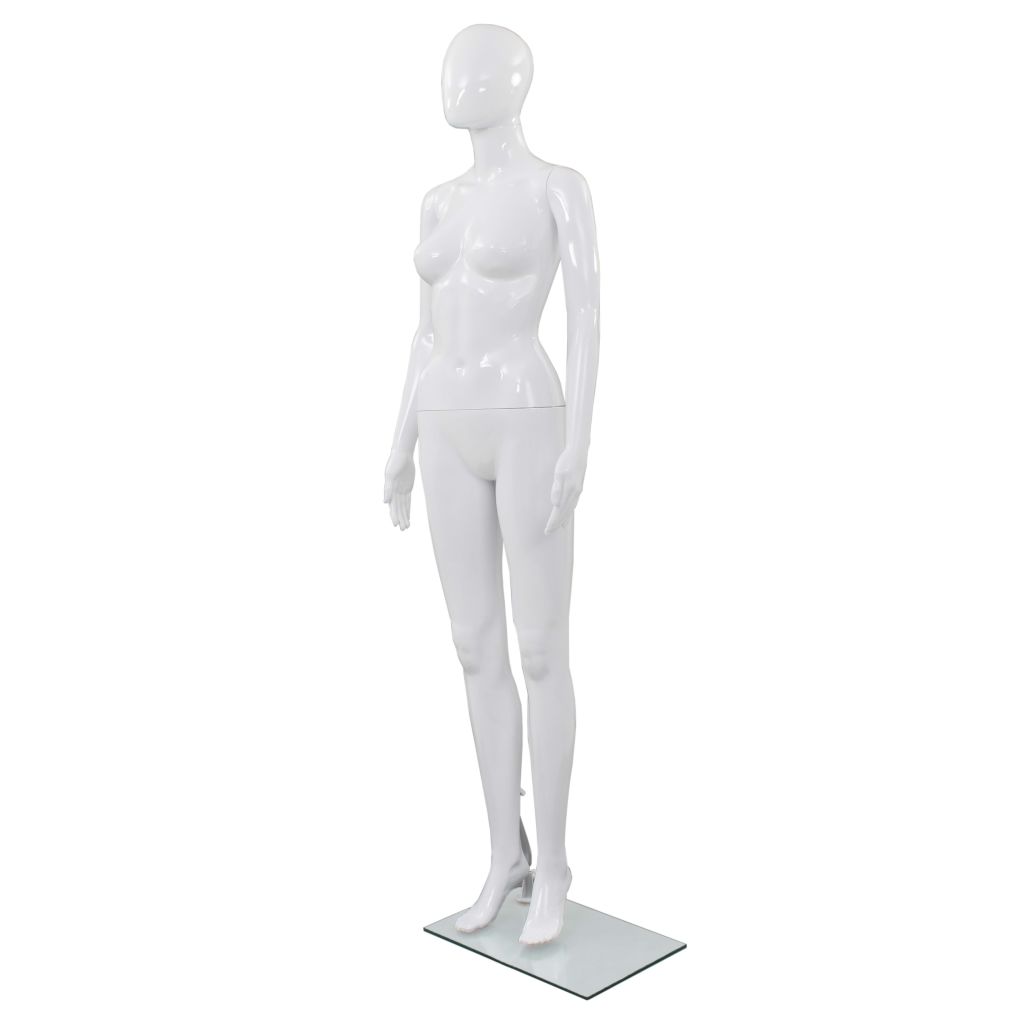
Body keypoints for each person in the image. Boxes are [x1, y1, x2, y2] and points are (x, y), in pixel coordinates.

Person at [383, 23, 599, 946]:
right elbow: (424, 333)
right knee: (474, 647)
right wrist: (397, 442)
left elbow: (587, 314)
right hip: (443, 420)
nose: (457, 79)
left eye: (475, 66)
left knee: (541, 647)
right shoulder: (436, 202)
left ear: (515, 82)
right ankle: (503, 854)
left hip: (524, 415)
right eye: (451, 64)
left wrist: (579, 441)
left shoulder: (558, 187)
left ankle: (555, 866)